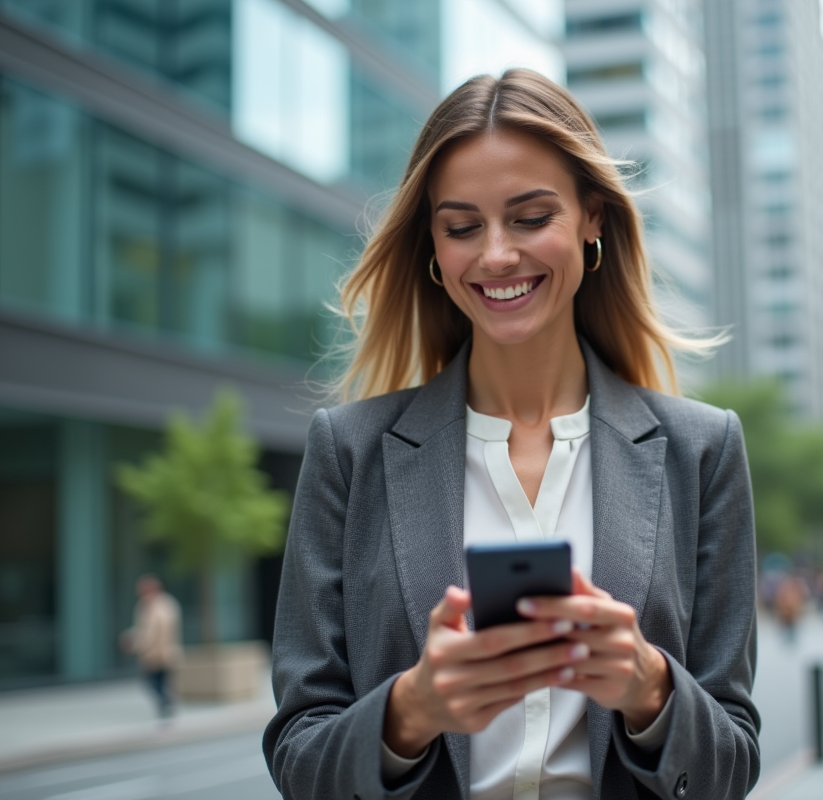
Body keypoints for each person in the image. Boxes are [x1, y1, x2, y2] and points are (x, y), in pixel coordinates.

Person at [262, 69, 760, 799]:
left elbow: (733, 762)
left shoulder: (703, 451)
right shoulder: (348, 451)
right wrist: (410, 711)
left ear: (593, 218)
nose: (495, 255)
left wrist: (649, 687)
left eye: (530, 217)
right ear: (433, 244)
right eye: (462, 227)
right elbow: (300, 758)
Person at [121, 575, 182, 718]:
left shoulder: (161, 607)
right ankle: (166, 705)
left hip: (160, 654)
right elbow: (142, 629)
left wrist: (134, 643)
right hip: (155, 654)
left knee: (155, 683)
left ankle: (166, 705)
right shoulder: (147, 605)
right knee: (157, 683)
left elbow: (151, 633)